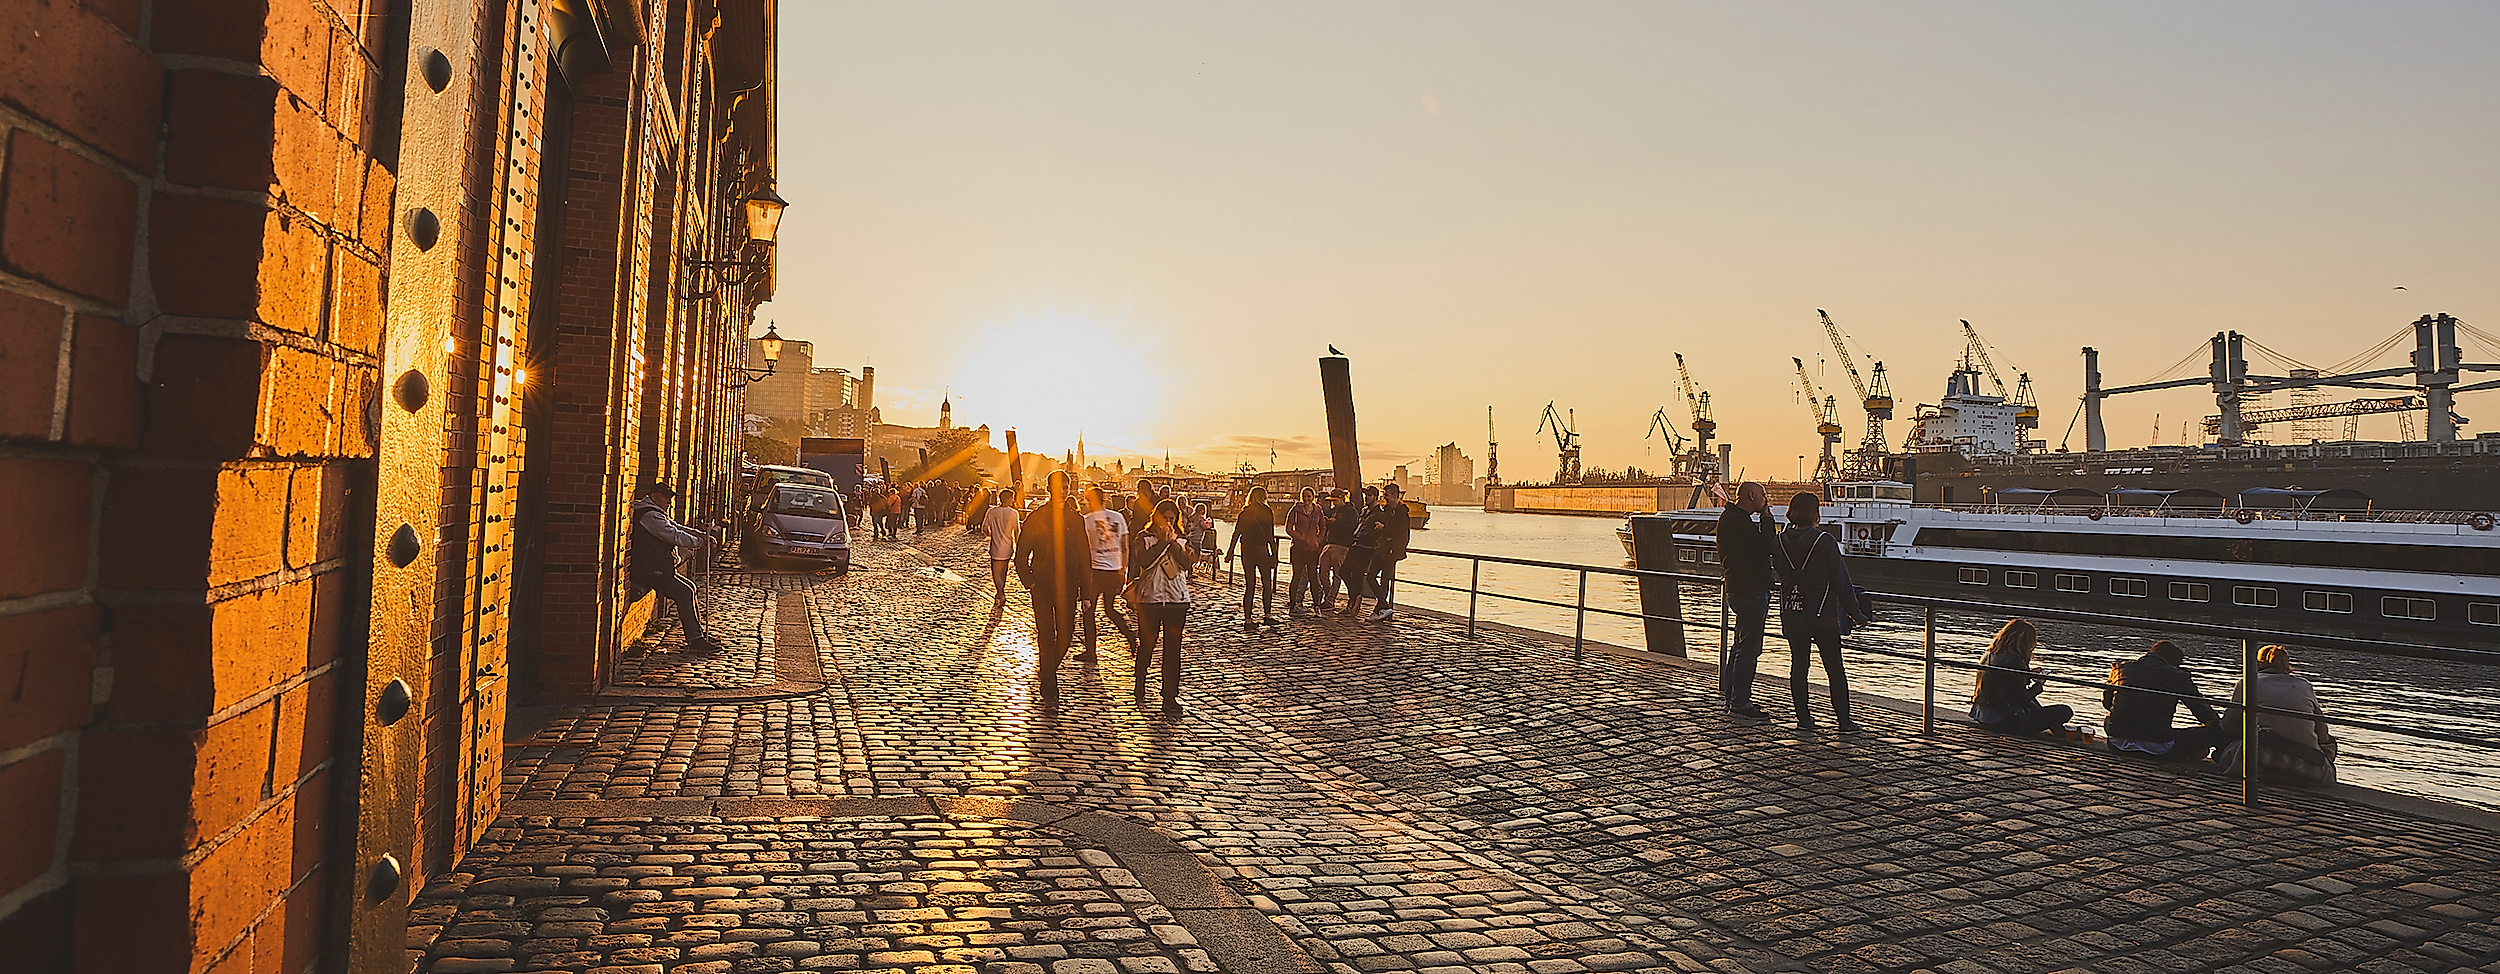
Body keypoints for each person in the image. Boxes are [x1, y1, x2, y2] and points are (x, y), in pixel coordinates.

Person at [1774, 492, 1863, 733]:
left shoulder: (1780, 541)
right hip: (1823, 615)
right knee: (1834, 669)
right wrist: (1855, 612)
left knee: (1799, 666)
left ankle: (1803, 718)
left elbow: (1780, 572)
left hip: (1793, 612)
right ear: (1815, 512)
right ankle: (1844, 721)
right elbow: (1840, 580)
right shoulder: (1824, 541)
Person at [1013, 471, 1089, 703]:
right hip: (1043, 586)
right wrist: (1031, 582)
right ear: (1049, 489)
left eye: (1066, 487)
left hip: (1067, 586)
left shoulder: (1076, 520)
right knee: (1045, 635)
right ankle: (1050, 689)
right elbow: (1021, 555)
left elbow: (1085, 558)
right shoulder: (1037, 517)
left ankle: (1047, 671)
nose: (1063, 491)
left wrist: (1086, 592)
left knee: (1066, 636)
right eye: (1059, 487)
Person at [2219, 645, 2339, 785]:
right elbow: (2323, 735)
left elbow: (2227, 726)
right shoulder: (2304, 685)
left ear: (2257, 663)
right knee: (2331, 742)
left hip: (2262, 760)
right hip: (2310, 767)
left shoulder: (2248, 682)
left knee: (2231, 741)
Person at [628, 482, 719, 651]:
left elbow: (676, 526)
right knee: (684, 592)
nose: (669, 501)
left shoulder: (656, 513)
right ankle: (695, 639)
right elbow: (673, 535)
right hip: (649, 569)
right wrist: (699, 542)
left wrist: (700, 534)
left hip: (658, 567)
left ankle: (698, 633)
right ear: (654, 496)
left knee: (690, 587)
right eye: (666, 497)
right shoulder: (649, 516)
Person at [1714, 481, 1778, 721]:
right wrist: (1767, 520)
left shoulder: (1732, 519)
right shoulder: (1739, 522)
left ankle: (1733, 696)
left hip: (1739, 588)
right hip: (1750, 590)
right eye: (1763, 495)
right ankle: (1740, 701)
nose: (1766, 499)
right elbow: (1766, 547)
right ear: (1752, 495)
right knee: (1749, 648)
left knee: (1740, 645)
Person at [2102, 639, 2225, 762]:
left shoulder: (2121, 669)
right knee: (2209, 734)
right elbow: (2203, 711)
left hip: (2116, 743)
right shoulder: (2178, 675)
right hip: (2158, 748)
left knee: (2114, 716)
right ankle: (2224, 757)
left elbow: (2107, 703)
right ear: (2174, 661)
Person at [1131, 498, 1199, 713]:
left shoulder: (1181, 541)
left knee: (1173, 650)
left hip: (1176, 600)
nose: (1168, 523)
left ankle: (1169, 695)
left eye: (1172, 519)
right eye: (1165, 519)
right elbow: (1144, 562)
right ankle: (1140, 677)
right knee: (1148, 644)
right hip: (1150, 600)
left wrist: (1172, 543)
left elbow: (1187, 564)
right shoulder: (1144, 538)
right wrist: (1161, 542)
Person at [1969, 618, 2076, 735]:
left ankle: (2055, 727)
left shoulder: (1989, 654)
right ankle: (2057, 727)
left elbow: (2004, 683)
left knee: (2033, 702)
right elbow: (2019, 699)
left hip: (1982, 715)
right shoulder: (2015, 661)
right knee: (2064, 711)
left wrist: (2027, 673)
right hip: (2005, 720)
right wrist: (2039, 684)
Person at [1079, 485, 1137, 658]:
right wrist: (1123, 569)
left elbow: (1082, 548)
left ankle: (1091, 651)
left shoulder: (1086, 521)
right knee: (1110, 610)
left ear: (1089, 501)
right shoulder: (1118, 517)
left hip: (1095, 571)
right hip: (1114, 570)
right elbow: (1125, 546)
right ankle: (1130, 636)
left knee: (1089, 612)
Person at [1227, 486, 1280, 628]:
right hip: (1261, 549)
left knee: (1250, 585)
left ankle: (1248, 620)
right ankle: (1267, 615)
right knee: (1266, 584)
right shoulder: (1267, 511)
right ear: (1264, 497)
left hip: (1246, 550)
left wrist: (1230, 552)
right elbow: (1270, 535)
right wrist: (1274, 554)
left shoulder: (1244, 513)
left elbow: (1236, 533)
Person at [1364, 483, 1411, 622]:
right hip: (1381, 548)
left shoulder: (1402, 513)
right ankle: (1384, 606)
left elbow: (1402, 534)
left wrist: (1385, 529)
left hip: (1390, 551)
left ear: (1394, 496)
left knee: (1384, 580)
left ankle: (1381, 609)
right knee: (1371, 576)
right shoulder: (1387, 510)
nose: (1385, 498)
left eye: (1387, 495)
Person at [1335, 487, 1380, 616]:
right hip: (1356, 544)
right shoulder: (1364, 511)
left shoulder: (1378, 513)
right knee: (1343, 571)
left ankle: (1353, 602)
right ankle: (1355, 597)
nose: (1367, 497)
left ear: (1376, 497)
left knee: (1358, 574)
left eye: (1370, 495)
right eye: (1366, 495)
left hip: (1366, 547)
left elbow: (1375, 532)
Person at [1285, 487, 1326, 617]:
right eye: (1304, 496)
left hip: (1313, 548)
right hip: (1299, 547)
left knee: (1313, 576)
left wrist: (1318, 540)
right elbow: (1288, 527)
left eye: (1309, 496)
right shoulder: (1296, 510)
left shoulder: (1318, 510)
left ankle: (1317, 606)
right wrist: (1299, 537)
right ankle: (1293, 604)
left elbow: (1323, 527)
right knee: (1296, 576)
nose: (1307, 499)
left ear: (1313, 497)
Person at [983, 487, 1021, 608]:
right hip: (1007, 547)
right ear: (1008, 499)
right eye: (1012, 498)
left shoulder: (992, 511)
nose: (1013, 500)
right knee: (1004, 572)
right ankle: (1001, 591)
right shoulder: (1014, 513)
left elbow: (984, 528)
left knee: (996, 572)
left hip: (995, 547)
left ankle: (1000, 592)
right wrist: (1018, 546)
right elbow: (1017, 532)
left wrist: (991, 534)